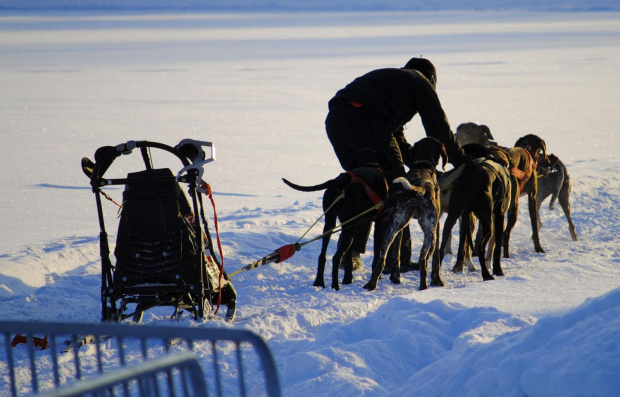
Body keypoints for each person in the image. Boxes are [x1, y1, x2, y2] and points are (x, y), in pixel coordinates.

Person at [325, 57, 466, 270]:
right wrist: (463, 160)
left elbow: (397, 141)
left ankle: (350, 256)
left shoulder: (392, 84)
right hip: (368, 120)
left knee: (364, 185)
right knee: (399, 187)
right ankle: (395, 260)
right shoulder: (420, 81)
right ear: (431, 79)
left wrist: (419, 162)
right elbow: (439, 129)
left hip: (337, 122)